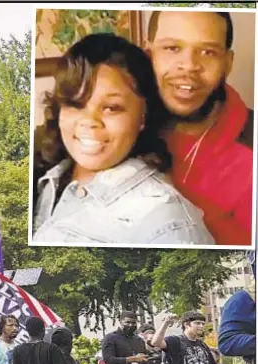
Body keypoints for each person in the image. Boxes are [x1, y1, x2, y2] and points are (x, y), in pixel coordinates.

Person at [32, 33, 213, 246]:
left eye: (111, 108)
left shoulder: (168, 224)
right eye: (75, 104)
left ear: (143, 115)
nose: (89, 121)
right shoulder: (49, 176)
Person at [146, 11, 253, 246]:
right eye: (172, 48)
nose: (189, 66)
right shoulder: (119, 127)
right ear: (149, 53)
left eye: (208, 52)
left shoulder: (251, 148)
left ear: (227, 63)